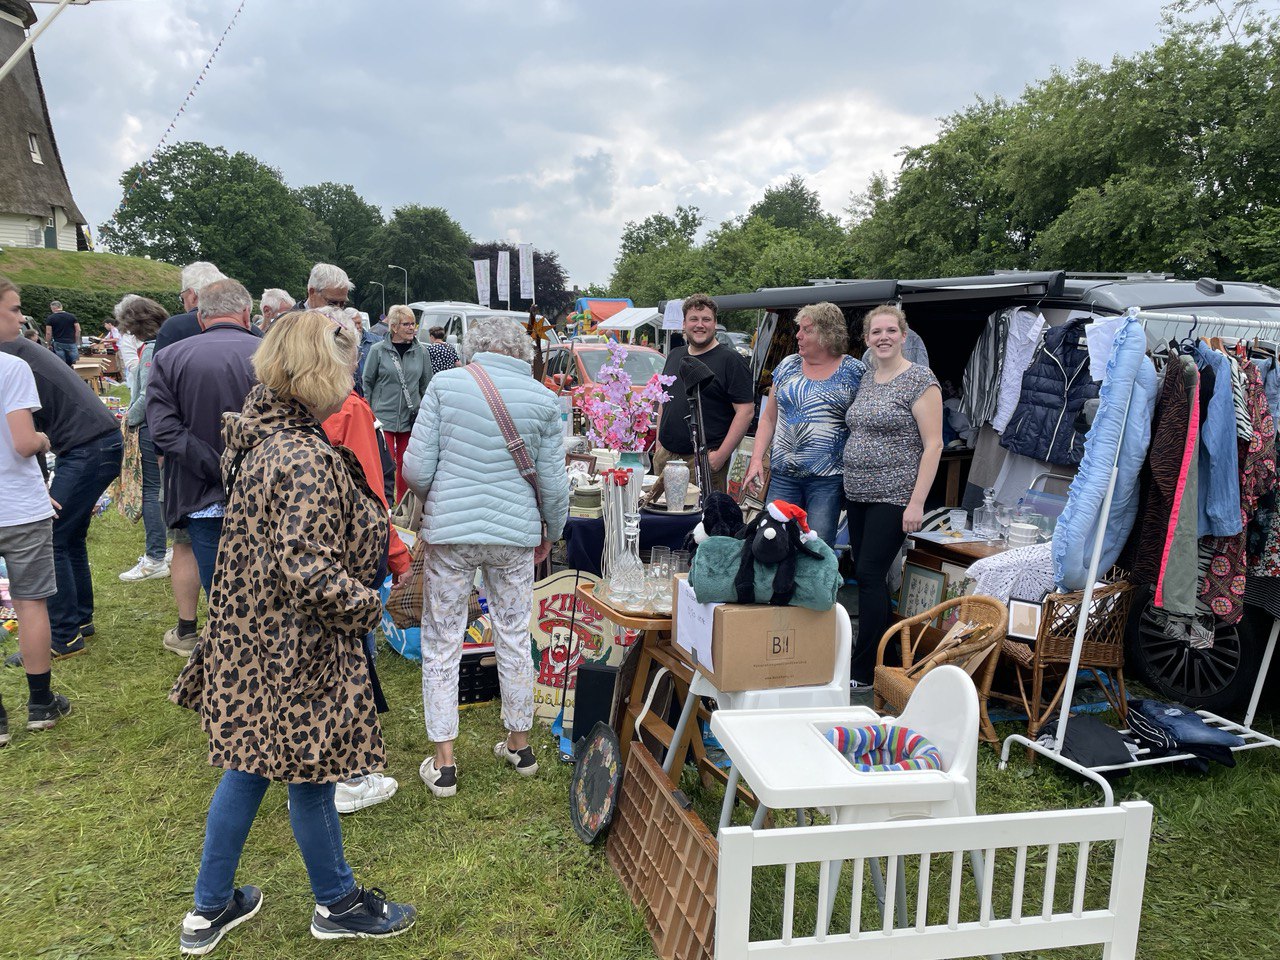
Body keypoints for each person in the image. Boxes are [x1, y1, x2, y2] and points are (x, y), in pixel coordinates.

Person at [170, 310, 416, 954]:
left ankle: (209, 908)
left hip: (254, 634)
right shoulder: (301, 455)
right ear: (317, 371)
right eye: (344, 365)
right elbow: (307, 568)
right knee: (310, 776)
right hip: (294, 644)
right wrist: (373, 605)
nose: (350, 378)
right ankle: (336, 903)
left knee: (247, 766)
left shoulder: (259, 433)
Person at [403, 316, 569, 799]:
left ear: (472, 347)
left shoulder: (445, 385)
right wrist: (550, 533)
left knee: (442, 640)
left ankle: (445, 763)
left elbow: (415, 468)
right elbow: (554, 483)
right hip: (514, 535)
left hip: (451, 534)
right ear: (522, 351)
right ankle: (520, 745)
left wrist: (442, 497)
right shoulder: (542, 398)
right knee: (515, 634)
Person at [1, 282, 123, 663]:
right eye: (16, 310)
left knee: (52, 534)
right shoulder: (16, 353)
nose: (23, 319)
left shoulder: (11, 357)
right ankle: (78, 621)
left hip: (88, 447)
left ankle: (64, 635)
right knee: (69, 536)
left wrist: (37, 490)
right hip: (97, 443)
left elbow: (25, 439)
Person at [146, 279, 259, 656]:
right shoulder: (270, 354)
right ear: (246, 313)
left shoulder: (169, 357)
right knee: (266, 578)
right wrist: (239, 466)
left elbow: (163, 430)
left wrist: (215, 466)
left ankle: (233, 658)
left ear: (199, 315)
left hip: (200, 494)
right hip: (266, 491)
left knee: (220, 587)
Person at [843, 304, 943, 689]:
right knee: (866, 575)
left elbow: (933, 445)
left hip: (895, 493)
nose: (883, 337)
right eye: (875, 332)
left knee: (869, 574)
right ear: (867, 339)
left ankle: (864, 670)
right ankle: (887, 657)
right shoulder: (867, 378)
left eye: (890, 330)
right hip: (858, 491)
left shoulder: (920, 380)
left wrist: (916, 502)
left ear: (904, 335)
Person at [0, 276, 70, 742]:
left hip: (19, 499)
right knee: (30, 603)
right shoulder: (11, 368)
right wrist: (46, 438)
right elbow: (24, 443)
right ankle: (40, 702)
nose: (21, 317)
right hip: (18, 508)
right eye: (13, 309)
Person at [743, 302, 864, 547]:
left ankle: (814, 586)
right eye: (799, 328)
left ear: (828, 333)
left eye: (806, 330)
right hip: (783, 476)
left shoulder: (854, 370)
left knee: (816, 546)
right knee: (772, 541)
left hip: (827, 479)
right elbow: (768, 418)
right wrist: (757, 459)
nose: (798, 335)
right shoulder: (788, 365)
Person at [154, 262, 228, 650]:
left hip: (191, 470)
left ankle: (188, 629)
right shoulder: (256, 340)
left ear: (193, 299)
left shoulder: (171, 336)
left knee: (185, 545)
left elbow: (161, 416)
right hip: (252, 474)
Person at [651, 293, 755, 497]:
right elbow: (665, 401)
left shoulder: (730, 360)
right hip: (665, 458)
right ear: (684, 324)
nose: (700, 325)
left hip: (701, 462)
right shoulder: (674, 355)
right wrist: (659, 444)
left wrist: (721, 456)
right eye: (694, 319)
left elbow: (746, 411)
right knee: (659, 522)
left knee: (700, 524)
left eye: (706, 319)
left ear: (715, 323)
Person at [117, 297, 171, 583]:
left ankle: (155, 556)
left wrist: (128, 420)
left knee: (152, 491)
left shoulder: (151, 350)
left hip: (150, 427)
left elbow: (146, 395)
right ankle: (164, 550)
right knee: (161, 489)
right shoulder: (161, 345)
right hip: (157, 425)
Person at [362, 305, 430, 501]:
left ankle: (401, 504)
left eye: (413, 324)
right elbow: (368, 382)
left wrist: (424, 413)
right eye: (406, 324)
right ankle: (383, 501)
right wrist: (369, 411)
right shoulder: (378, 350)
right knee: (384, 463)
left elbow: (426, 385)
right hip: (383, 415)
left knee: (407, 464)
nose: (412, 328)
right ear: (394, 327)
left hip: (411, 417)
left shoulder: (422, 352)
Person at [44, 300, 80, 366]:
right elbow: (78, 330)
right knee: (76, 363)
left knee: (61, 364)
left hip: (58, 343)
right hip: (71, 342)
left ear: (53, 308)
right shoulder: (72, 316)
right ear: (61, 307)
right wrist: (76, 342)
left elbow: (48, 333)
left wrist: (48, 344)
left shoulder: (50, 318)